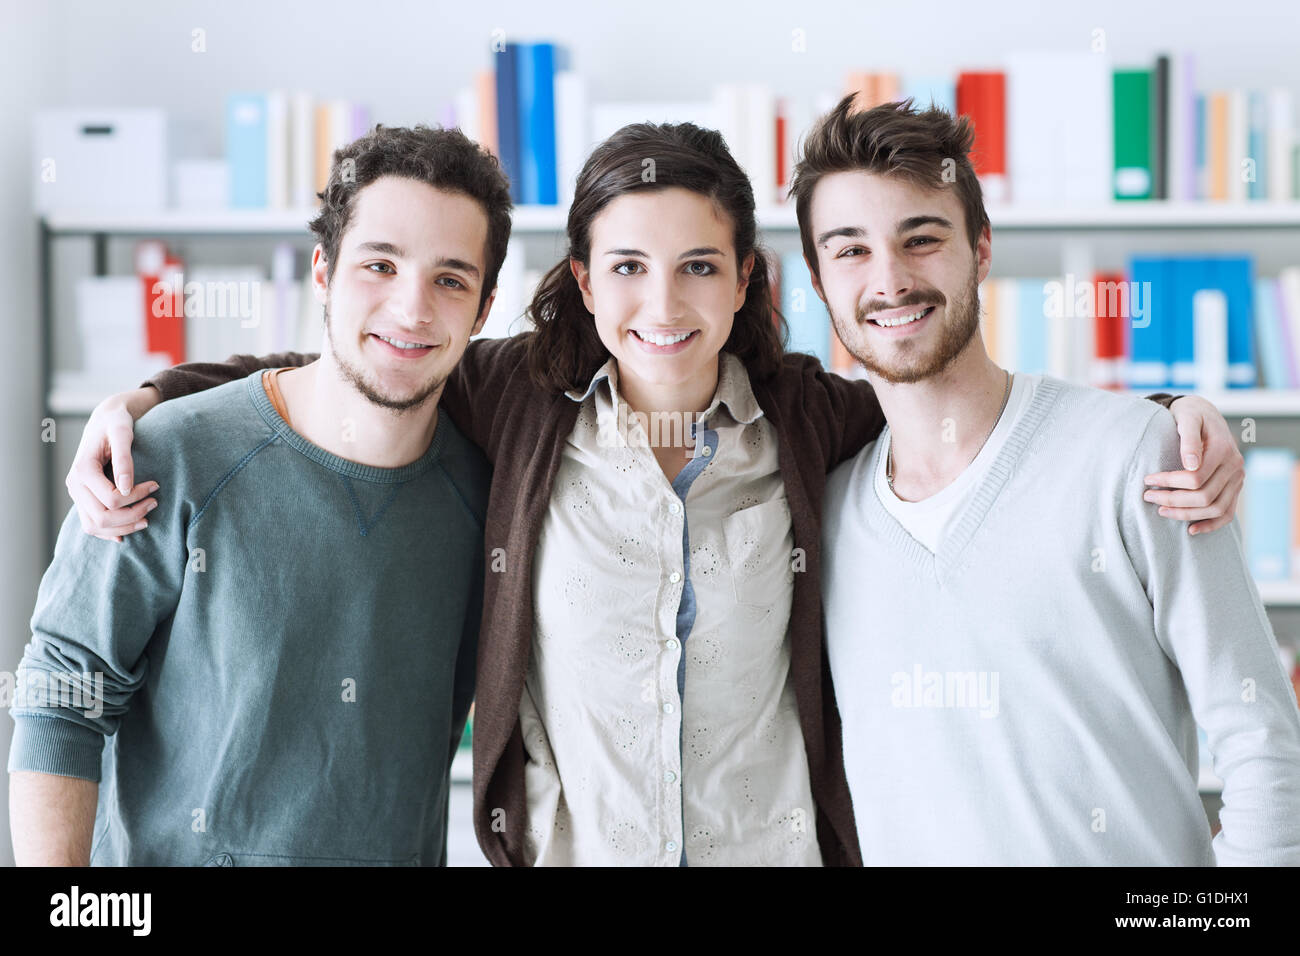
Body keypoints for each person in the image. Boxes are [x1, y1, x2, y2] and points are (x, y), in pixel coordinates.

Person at [62, 121, 1244, 866]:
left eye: (696, 265)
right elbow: (367, 358)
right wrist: (154, 393)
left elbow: (959, 403)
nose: (661, 302)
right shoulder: (516, 400)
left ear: (745, 279)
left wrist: (1166, 413)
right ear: (584, 279)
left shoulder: (809, 420)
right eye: (626, 265)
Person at [797, 95, 1300, 864]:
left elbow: (1263, 743)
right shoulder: (821, 515)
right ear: (818, 280)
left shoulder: (1140, 455)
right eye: (851, 250)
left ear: (982, 249)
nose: (889, 279)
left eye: (921, 238)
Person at [8, 125, 502, 866]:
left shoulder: (485, 496)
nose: (412, 310)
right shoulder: (166, 455)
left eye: (450, 279)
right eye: (379, 265)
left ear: (485, 310)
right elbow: (62, 692)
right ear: (325, 274)